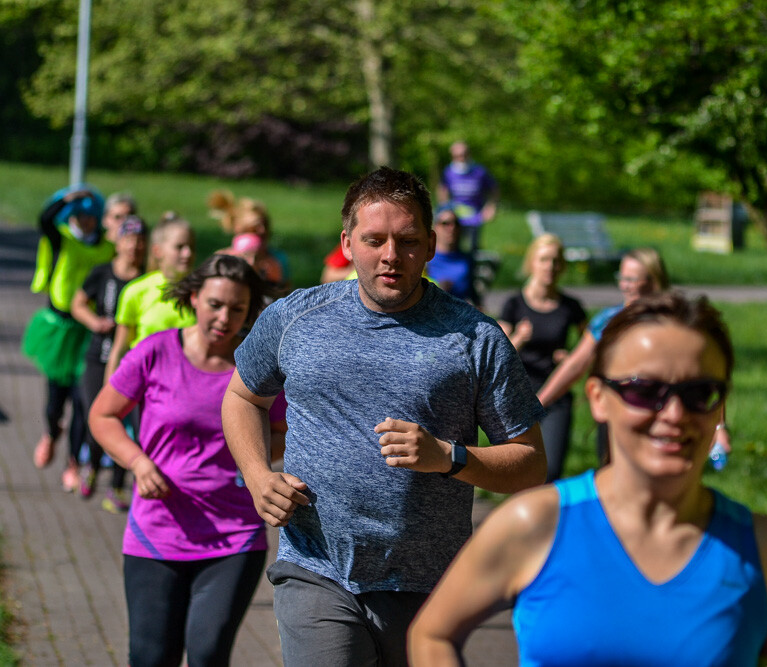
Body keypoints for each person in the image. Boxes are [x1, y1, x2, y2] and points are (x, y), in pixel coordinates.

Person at [221, 166, 546, 667]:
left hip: (430, 586)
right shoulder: (295, 317)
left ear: (433, 244)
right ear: (348, 244)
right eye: (375, 240)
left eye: (408, 240)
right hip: (316, 567)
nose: (391, 256)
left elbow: (529, 465)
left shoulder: (475, 339)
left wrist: (449, 456)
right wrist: (257, 474)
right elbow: (243, 397)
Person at [408, 292, 767, 666]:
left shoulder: (764, 548)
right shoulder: (535, 525)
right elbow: (432, 635)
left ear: (720, 406)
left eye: (699, 392)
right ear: (598, 398)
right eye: (644, 390)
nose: (674, 414)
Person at [88, 254, 287, 667]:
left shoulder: (257, 367)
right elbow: (102, 415)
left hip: (234, 535)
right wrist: (138, 463)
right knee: (150, 657)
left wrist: (253, 459)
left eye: (238, 309)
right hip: (156, 532)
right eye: (215, 304)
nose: (224, 317)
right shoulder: (156, 351)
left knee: (207, 653)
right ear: (194, 298)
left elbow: (285, 431)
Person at [536, 247, 669, 464]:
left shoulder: (673, 322)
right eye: (622, 278)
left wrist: (718, 427)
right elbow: (575, 364)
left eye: (632, 279)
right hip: (616, 413)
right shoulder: (608, 320)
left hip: (660, 414)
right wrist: (539, 403)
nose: (624, 285)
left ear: (653, 281)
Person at [22, 185, 114, 491]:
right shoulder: (59, 236)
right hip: (59, 329)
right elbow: (44, 221)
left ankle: (73, 462)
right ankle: (51, 432)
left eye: (89, 217)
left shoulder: (106, 247)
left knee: (81, 401)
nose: (84, 222)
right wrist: (65, 198)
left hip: (88, 330)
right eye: (77, 216)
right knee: (55, 400)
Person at [70, 215, 147, 511]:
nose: (135, 245)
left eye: (140, 240)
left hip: (134, 365)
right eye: (129, 238)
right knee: (98, 417)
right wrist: (94, 322)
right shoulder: (102, 273)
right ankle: (90, 466)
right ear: (118, 241)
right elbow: (78, 303)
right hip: (99, 359)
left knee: (129, 428)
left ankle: (116, 486)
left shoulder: (147, 280)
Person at [498, 234, 587, 482]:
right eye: (544, 259)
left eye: (556, 261)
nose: (550, 266)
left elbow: (591, 346)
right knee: (518, 466)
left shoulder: (571, 306)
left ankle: (546, 516)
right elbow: (497, 354)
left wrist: (570, 357)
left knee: (552, 468)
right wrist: (519, 339)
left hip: (556, 393)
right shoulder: (514, 304)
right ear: (532, 263)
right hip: (519, 393)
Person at [104, 212, 196, 381]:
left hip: (187, 386)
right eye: (179, 247)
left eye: (191, 246)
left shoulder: (203, 293)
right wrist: (108, 396)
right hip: (143, 385)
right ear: (157, 251)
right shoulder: (136, 291)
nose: (187, 253)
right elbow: (120, 348)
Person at [209, 190, 290, 291]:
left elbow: (286, 292)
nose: (262, 230)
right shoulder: (221, 259)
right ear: (239, 228)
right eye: (255, 226)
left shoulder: (277, 260)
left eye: (265, 224)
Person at [436, 141, 499, 252]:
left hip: (475, 216)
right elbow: (442, 189)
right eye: (458, 156)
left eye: (464, 154)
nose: (461, 158)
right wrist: (444, 208)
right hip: (456, 215)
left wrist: (491, 207)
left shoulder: (479, 171)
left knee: (473, 247)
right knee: (453, 245)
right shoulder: (448, 172)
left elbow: (494, 189)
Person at [425, 204, 479, 306]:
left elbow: (473, 294)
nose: (452, 228)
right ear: (435, 226)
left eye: (456, 223)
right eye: (446, 223)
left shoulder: (467, 259)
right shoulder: (425, 258)